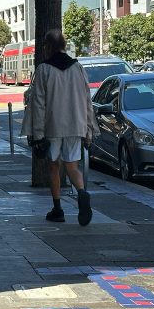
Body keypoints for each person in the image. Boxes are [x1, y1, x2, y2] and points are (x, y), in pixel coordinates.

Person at [21, 29, 96, 226]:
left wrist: (37, 133)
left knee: (53, 166)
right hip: (76, 124)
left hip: (52, 126)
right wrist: (88, 128)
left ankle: (58, 208)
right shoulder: (78, 68)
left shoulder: (44, 70)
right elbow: (87, 99)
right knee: (72, 165)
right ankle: (82, 192)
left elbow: (38, 104)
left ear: (48, 46)